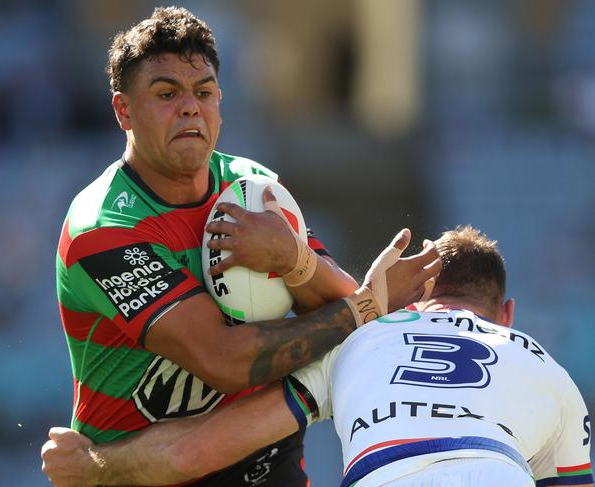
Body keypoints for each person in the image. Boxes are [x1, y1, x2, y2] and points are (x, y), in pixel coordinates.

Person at [53, 5, 440, 486]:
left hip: (265, 463)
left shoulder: (252, 186)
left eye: (204, 92)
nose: (190, 107)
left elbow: (339, 305)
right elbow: (225, 362)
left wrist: (294, 261)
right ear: (123, 110)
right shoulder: (104, 228)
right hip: (141, 471)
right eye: (166, 93)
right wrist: (364, 307)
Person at [43, 226, 592, 487]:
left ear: (413, 300)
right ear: (507, 314)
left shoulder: (361, 340)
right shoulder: (550, 371)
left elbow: (198, 451)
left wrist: (96, 466)